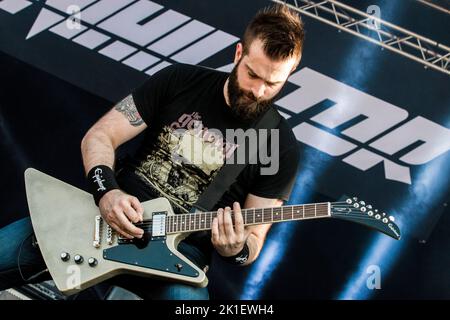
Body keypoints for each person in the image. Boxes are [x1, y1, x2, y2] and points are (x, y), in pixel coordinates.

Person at [0, 4, 304, 299]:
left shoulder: (281, 146)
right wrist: (107, 193)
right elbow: (100, 136)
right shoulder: (180, 80)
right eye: (252, 74)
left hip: (179, 256)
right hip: (102, 219)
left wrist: (235, 249)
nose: (259, 90)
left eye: (273, 83)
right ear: (239, 53)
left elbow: (252, 241)